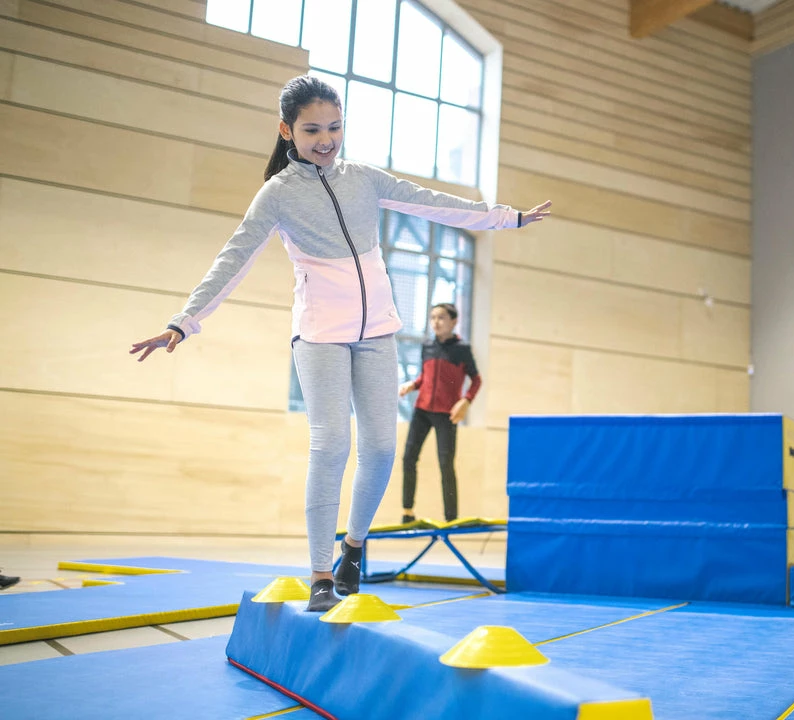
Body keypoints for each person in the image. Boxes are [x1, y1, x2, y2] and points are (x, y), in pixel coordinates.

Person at [130, 75, 551, 612]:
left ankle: (354, 546)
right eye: (312, 130)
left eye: (334, 127)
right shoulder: (278, 194)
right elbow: (232, 258)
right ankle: (320, 575)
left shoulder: (363, 179)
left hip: (376, 332)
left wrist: (506, 219)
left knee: (380, 448)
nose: (326, 139)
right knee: (331, 446)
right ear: (287, 130)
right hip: (320, 335)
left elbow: (431, 203)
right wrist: (184, 322)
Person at [398, 303, 478, 524]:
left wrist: (466, 401)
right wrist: (412, 385)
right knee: (408, 458)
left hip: (446, 414)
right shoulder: (427, 346)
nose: (436, 322)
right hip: (422, 410)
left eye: (441, 317)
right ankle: (407, 512)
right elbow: (425, 377)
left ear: (454, 321)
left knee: (446, 464)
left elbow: (476, 380)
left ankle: (451, 518)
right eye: (433, 317)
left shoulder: (462, 349)